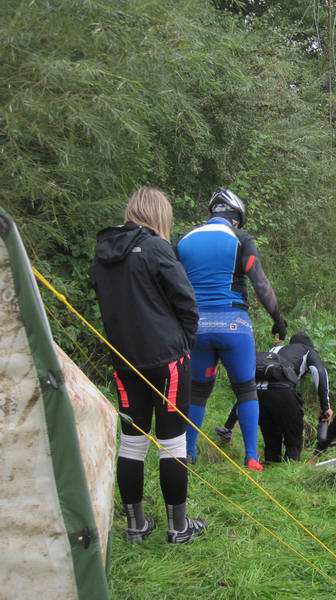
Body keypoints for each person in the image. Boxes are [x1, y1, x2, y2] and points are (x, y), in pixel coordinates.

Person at [90, 186, 206, 544]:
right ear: (159, 216)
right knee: (172, 443)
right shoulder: (156, 247)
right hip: (166, 359)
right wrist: (185, 343)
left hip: (124, 361)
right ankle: (178, 528)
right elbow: (186, 303)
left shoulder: (102, 254)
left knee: (132, 442)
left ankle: (135, 525)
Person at [176, 188, 287, 472]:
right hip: (234, 325)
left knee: (198, 391)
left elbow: (173, 286)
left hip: (197, 327)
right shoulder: (240, 239)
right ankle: (251, 457)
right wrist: (278, 318)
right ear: (236, 218)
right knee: (246, 390)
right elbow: (261, 284)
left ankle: (187, 453)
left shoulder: (185, 241)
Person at [216, 331, 333, 462]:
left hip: (257, 393)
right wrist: (325, 406)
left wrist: (229, 425)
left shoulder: (275, 350)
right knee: (293, 440)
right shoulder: (308, 350)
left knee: (271, 441)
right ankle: (291, 474)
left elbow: (246, 395)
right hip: (282, 392)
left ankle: (271, 467)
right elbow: (319, 373)